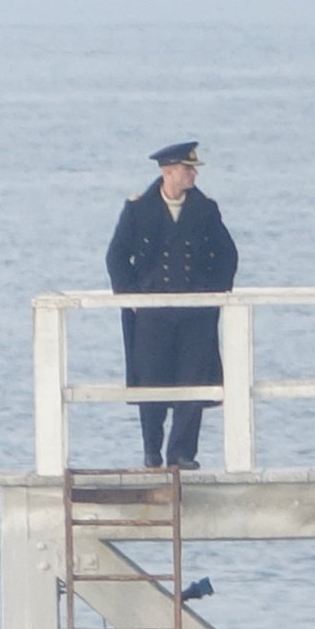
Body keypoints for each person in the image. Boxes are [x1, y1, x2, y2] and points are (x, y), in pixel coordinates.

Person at [105, 142, 238, 469]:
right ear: (168, 171)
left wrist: (213, 296)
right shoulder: (138, 209)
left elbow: (227, 256)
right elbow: (117, 257)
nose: (193, 173)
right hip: (152, 313)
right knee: (151, 381)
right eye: (187, 168)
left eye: (193, 169)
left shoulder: (206, 209)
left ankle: (181, 455)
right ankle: (152, 451)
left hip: (195, 312)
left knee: (192, 382)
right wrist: (131, 299)